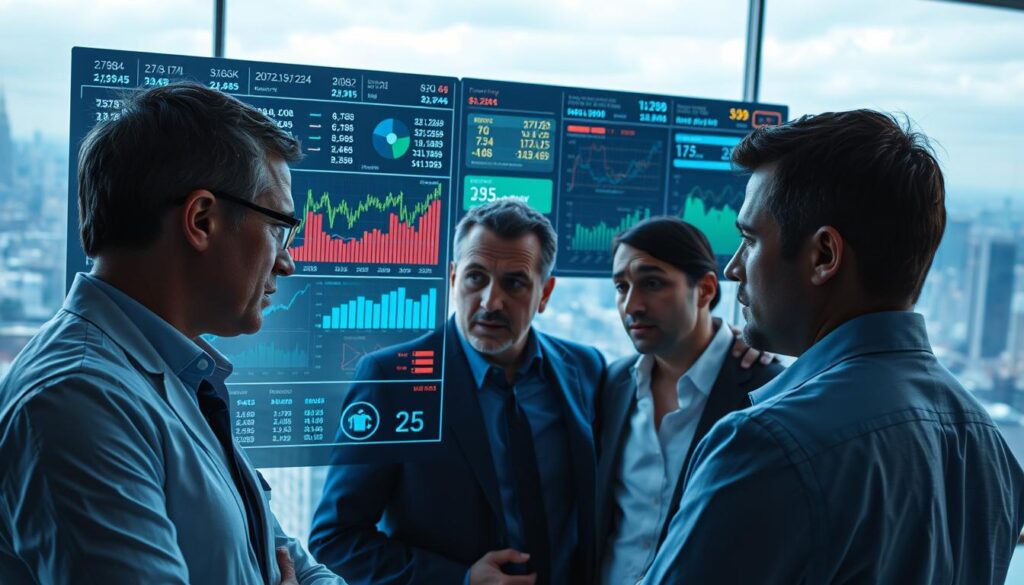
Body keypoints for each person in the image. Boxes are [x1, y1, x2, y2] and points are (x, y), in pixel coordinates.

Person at [643, 110, 1024, 584]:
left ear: (824, 256)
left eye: (750, 239)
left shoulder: (766, 446)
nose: (734, 268)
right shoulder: (986, 445)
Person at [0, 82, 344, 585]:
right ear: (201, 219)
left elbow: (286, 557)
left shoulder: (172, 374)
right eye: (278, 228)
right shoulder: (77, 400)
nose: (287, 262)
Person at [310, 200, 604, 585]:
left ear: (545, 293)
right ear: (452, 278)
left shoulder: (585, 369)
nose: (490, 302)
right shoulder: (391, 379)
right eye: (475, 278)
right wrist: (460, 580)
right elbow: (335, 539)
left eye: (514, 283)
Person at [595, 217, 782, 585]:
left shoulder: (766, 392)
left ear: (705, 290)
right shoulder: (613, 383)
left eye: (652, 283)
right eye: (621, 286)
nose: (631, 305)